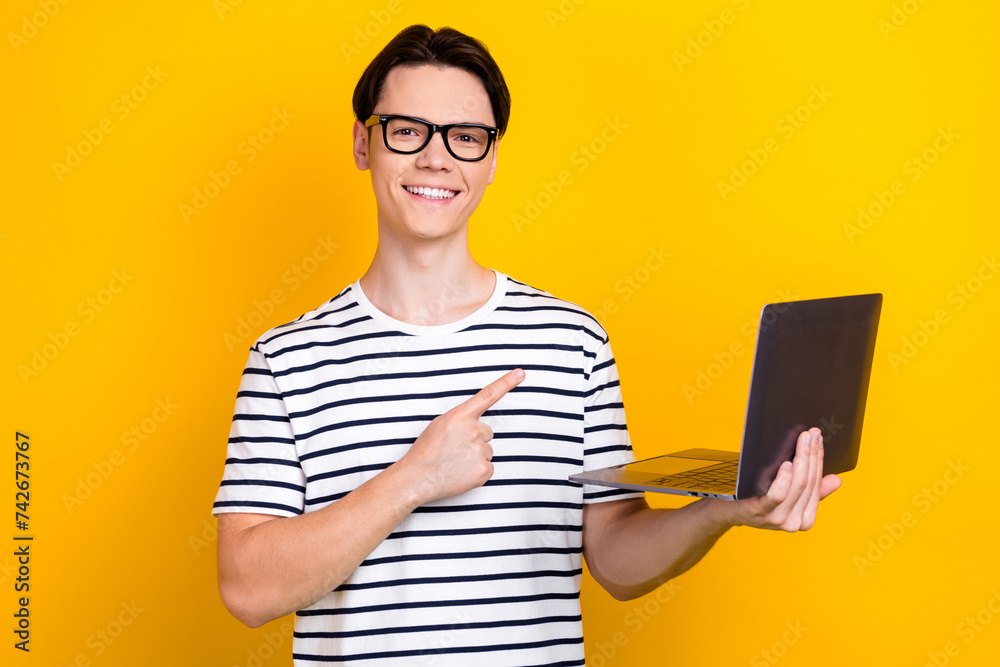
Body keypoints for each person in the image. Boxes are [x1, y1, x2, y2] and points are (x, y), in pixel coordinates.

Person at [212, 24, 842, 665]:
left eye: (464, 137)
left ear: (490, 160)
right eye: (407, 130)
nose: (437, 159)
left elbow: (616, 561)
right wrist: (414, 479)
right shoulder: (286, 359)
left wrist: (724, 511)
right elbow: (247, 587)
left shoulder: (572, 342)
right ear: (362, 143)